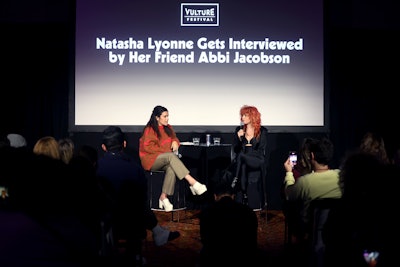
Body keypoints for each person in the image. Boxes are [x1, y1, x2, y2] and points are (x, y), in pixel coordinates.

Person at [96, 126, 180, 264]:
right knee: (136, 203)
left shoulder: (95, 168)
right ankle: (148, 240)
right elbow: (142, 195)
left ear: (104, 147)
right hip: (132, 221)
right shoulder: (134, 168)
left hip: (106, 221)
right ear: (124, 144)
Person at [139, 105, 207, 212]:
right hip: (151, 160)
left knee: (172, 168)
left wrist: (175, 142)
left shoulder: (168, 128)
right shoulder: (150, 129)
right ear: (157, 118)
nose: (167, 119)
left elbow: (174, 138)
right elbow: (148, 147)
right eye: (164, 116)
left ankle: (163, 196)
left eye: (168, 116)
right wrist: (166, 152)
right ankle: (192, 182)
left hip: (165, 159)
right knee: (171, 156)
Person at [283, 137, 342, 242]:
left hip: (309, 227)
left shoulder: (305, 182)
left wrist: (289, 173)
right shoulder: (342, 177)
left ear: (312, 156)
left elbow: (288, 194)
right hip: (337, 225)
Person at [199, 180, 260, 266]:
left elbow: (205, 239)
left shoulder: (207, 212)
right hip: (244, 258)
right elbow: (252, 240)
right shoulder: (247, 211)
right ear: (233, 196)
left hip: (214, 259)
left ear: (215, 196)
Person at [231, 105, 268, 208]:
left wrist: (248, 154)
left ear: (252, 116)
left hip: (257, 160)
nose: (242, 118)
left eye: (245, 115)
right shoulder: (239, 130)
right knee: (242, 162)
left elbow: (261, 150)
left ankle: (236, 178)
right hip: (243, 162)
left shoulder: (262, 131)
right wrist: (239, 138)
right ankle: (244, 195)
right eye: (242, 115)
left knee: (242, 156)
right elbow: (236, 149)